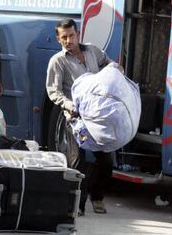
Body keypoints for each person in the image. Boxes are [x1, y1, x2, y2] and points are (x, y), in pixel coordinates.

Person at [46, 19, 121, 215]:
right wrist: (68, 105)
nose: (68, 40)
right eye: (64, 37)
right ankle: (77, 205)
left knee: (106, 161)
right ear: (58, 39)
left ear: (77, 34)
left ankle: (97, 197)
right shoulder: (58, 61)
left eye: (71, 35)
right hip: (75, 119)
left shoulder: (93, 51)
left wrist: (116, 68)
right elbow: (53, 92)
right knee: (77, 162)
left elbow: (108, 64)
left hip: (97, 117)